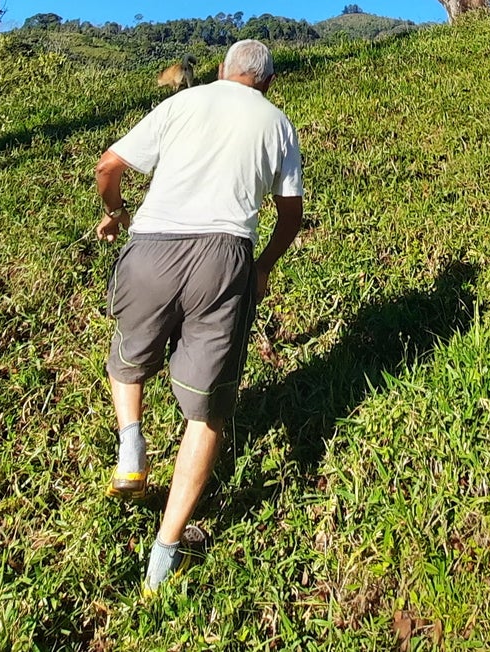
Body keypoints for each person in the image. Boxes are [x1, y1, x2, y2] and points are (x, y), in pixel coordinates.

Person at [94, 38, 304, 596]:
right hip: (224, 254)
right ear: (267, 83)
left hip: (152, 246)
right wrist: (263, 267)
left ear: (221, 71)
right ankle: (165, 555)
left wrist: (115, 213)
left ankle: (132, 451)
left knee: (128, 358)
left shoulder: (181, 103)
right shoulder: (278, 124)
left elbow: (108, 165)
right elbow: (291, 215)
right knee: (207, 412)